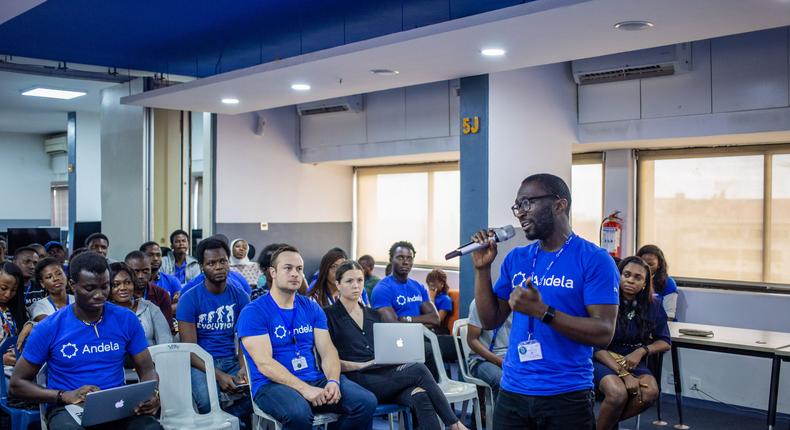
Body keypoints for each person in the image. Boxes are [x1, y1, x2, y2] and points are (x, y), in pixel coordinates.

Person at [470, 173, 620, 429]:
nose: (520, 213)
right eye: (518, 206)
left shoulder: (594, 260)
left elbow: (603, 332)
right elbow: (490, 319)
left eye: (528, 203)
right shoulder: (517, 258)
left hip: (566, 394)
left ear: (559, 205)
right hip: (513, 390)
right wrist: (482, 271)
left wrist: (543, 312)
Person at [9, 251, 162, 430]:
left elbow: (147, 369)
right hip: (68, 408)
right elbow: (16, 384)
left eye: (105, 286)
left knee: (151, 428)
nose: (100, 295)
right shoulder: (50, 327)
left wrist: (152, 394)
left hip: (117, 406)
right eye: (90, 288)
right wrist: (63, 395)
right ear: (73, 285)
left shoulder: (126, 319)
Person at [237, 245, 377, 430]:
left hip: (314, 378)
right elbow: (265, 364)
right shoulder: (254, 312)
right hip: (271, 385)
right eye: (288, 268)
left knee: (365, 401)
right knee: (299, 414)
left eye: (299, 269)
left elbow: (328, 351)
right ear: (273, 272)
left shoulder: (311, 307)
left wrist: (333, 381)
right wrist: (305, 389)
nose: (295, 274)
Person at [326, 261, 468, 430]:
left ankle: (454, 425)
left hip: (382, 375)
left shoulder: (373, 315)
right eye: (349, 281)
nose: (356, 286)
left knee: (420, 395)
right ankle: (455, 425)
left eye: (360, 280)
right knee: (418, 369)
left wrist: (394, 357)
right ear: (338, 284)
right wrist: (363, 364)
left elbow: (386, 347)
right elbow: (328, 359)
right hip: (356, 379)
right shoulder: (328, 315)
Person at [176, 238, 251, 423]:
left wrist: (243, 367)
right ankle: (231, 424)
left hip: (231, 360)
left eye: (223, 261)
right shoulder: (189, 299)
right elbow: (190, 350)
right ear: (202, 266)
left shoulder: (240, 296)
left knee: (260, 390)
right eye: (211, 263)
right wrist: (218, 375)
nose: (218, 267)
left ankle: (230, 423)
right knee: (208, 403)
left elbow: (245, 340)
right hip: (200, 363)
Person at [594, 256, 671, 430]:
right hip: (601, 358)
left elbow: (665, 341)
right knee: (617, 393)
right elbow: (595, 346)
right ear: (618, 275)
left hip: (631, 359)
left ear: (645, 283)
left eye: (638, 277)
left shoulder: (654, 305)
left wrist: (642, 351)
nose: (630, 280)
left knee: (650, 392)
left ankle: (599, 426)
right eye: (626, 274)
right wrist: (624, 374)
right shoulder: (604, 300)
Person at [371, 241, 439, 328]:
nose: (405, 262)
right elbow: (394, 326)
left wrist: (406, 319)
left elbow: (435, 319)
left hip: (423, 337)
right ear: (391, 260)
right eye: (400, 258)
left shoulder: (419, 287)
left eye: (409, 258)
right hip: (398, 340)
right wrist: (422, 322)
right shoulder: (382, 289)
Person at [109, 263, 173, 346]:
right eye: (116, 284)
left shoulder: (149, 308)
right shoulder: (104, 312)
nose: (123, 288)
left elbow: (165, 341)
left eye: (128, 282)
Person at [466, 298, 512, 400]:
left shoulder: (520, 303)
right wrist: (500, 362)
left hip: (511, 357)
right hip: (482, 360)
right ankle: (501, 416)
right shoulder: (479, 303)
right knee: (501, 380)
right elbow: (472, 340)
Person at [124, 251, 174, 334]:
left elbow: (167, 330)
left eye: (145, 271)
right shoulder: (118, 294)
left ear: (151, 271)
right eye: (136, 271)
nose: (141, 276)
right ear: (126, 271)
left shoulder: (161, 295)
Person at [636, 245, 678, 321]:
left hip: (662, 325)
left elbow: (669, 316)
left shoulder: (668, 283)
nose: (646, 267)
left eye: (651, 264)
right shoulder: (632, 281)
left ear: (659, 265)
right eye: (642, 263)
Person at [0, 262, 26, 366]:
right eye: (3, 288)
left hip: (16, 368)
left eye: (14, 290)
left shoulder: (15, 310)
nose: (8, 294)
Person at [14, 246, 45, 311]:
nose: (32, 266)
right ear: (14, 262)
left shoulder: (42, 286)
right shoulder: (7, 288)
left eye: (35, 263)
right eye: (27, 261)